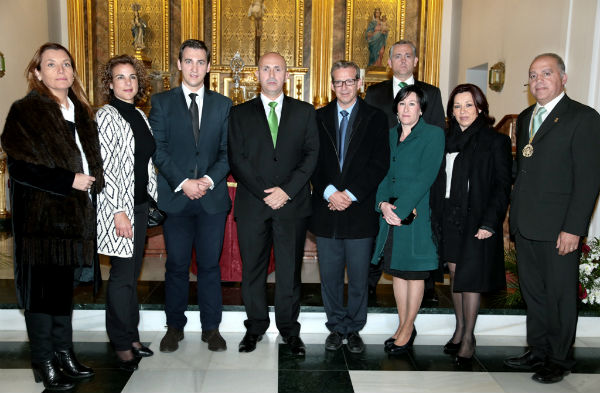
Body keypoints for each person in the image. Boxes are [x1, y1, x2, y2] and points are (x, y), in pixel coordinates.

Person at [1, 42, 104, 391]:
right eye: (51, 65)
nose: (61, 71)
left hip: (73, 220)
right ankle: (43, 361)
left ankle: (64, 355)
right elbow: (19, 169)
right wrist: (68, 180)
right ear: (37, 72)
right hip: (40, 223)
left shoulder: (80, 111)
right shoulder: (26, 112)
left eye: (66, 64)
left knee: (61, 294)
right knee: (41, 297)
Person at [504, 53, 600, 383]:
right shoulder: (528, 115)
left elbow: (588, 179)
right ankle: (539, 349)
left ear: (563, 77)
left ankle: (559, 358)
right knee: (534, 293)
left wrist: (574, 228)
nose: (539, 81)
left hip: (560, 228)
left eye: (546, 74)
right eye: (533, 75)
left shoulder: (583, 118)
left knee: (559, 294)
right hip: (527, 223)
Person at [228, 52, 319, 355]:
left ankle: (290, 331)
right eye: (266, 69)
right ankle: (254, 327)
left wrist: (287, 191)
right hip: (253, 204)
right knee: (252, 271)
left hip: (291, 206)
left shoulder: (305, 112)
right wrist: (265, 192)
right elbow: (237, 159)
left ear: (286, 76)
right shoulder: (239, 114)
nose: (271, 74)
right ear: (257, 74)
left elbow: (311, 156)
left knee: (289, 272)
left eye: (277, 69)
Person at [150, 39, 232, 353]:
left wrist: (207, 181)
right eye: (188, 61)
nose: (194, 67)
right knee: (177, 266)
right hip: (177, 199)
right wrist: (184, 182)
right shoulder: (161, 103)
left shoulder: (223, 105)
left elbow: (227, 152)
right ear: (180, 64)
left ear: (208, 67)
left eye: (200, 62)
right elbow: (159, 150)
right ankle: (174, 328)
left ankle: (211, 329)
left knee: (211, 266)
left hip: (211, 200)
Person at [310, 61, 389, 353]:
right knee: (329, 277)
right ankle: (335, 327)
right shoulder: (317, 118)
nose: (344, 87)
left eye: (349, 81)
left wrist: (350, 194)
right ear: (332, 85)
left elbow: (379, 163)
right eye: (338, 82)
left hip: (360, 210)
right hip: (327, 208)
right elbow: (311, 162)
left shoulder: (377, 118)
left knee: (358, 277)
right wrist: (330, 192)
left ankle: (354, 328)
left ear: (360, 83)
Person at [430, 84, 512, 364]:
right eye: (457, 106)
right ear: (451, 111)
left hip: (477, 218)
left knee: (471, 278)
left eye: (468, 105)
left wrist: (491, 222)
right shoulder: (444, 140)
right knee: (456, 276)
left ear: (480, 107)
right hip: (448, 215)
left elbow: (502, 187)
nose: (462, 111)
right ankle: (460, 327)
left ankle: (469, 337)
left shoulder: (494, 141)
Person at [365, 40, 446, 295]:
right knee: (383, 246)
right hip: (386, 179)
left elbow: (436, 143)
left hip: (420, 189)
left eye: (408, 55)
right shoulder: (374, 93)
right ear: (388, 63)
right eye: (397, 56)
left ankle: (427, 294)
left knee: (422, 244)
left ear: (416, 61)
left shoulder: (431, 93)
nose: (402, 60)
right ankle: (369, 291)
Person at [371, 85, 444, 354]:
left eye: (412, 104)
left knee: (414, 275)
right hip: (390, 216)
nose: (406, 109)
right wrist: (381, 205)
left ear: (421, 108)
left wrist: (399, 210)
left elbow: (426, 176)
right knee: (398, 274)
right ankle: (403, 325)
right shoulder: (389, 135)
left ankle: (408, 329)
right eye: (402, 104)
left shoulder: (433, 135)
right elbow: (380, 173)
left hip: (416, 216)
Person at [96, 54, 157, 370]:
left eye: (132, 77)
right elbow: (106, 167)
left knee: (131, 276)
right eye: (120, 77)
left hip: (139, 204)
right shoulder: (106, 116)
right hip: (119, 208)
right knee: (121, 278)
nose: (128, 82)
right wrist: (120, 211)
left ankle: (131, 336)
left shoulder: (138, 115)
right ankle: (121, 344)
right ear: (110, 83)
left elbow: (144, 162)